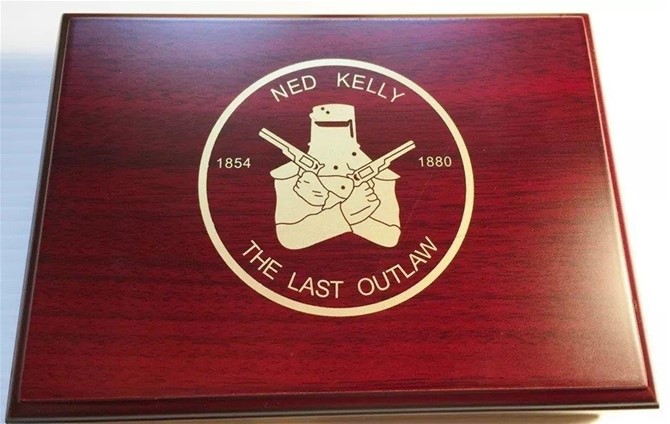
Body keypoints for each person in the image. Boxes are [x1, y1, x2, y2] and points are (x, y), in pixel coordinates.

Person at [271, 104, 401, 250]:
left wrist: (330, 201)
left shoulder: (378, 174)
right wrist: (346, 210)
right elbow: (288, 237)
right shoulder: (291, 174)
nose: (332, 135)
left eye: (340, 126)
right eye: (324, 127)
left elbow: (390, 236)